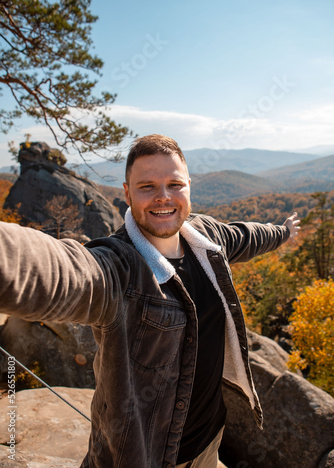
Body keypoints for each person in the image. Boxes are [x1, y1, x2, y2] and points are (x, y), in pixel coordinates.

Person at [0, 134, 300, 468]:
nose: (163, 197)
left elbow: (247, 236)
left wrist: (284, 231)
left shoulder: (206, 238)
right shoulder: (119, 268)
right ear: (127, 193)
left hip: (209, 440)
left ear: (189, 187)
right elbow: (57, 269)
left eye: (175, 184)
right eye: (147, 187)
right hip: (145, 457)